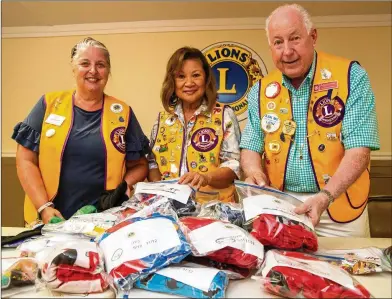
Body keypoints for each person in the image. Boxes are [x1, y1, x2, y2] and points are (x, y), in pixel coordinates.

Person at [240, 4, 380, 237]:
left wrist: (325, 197)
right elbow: (250, 146)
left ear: (313, 36)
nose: (287, 51)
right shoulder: (260, 90)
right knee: (285, 272)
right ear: (271, 47)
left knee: (350, 272)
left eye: (294, 38)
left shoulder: (350, 76)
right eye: (278, 42)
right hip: (282, 209)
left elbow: (359, 151)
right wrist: (254, 171)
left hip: (339, 209)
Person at [12, 37, 150, 226]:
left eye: (100, 65)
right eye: (85, 63)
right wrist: (44, 207)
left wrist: (124, 188)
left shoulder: (122, 112)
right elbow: (25, 160)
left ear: (108, 71)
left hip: (103, 219)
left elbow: (140, 165)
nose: (93, 71)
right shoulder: (48, 104)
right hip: (49, 218)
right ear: (74, 68)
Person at [147, 47, 241, 203]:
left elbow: (234, 166)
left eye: (196, 75)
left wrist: (206, 177)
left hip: (213, 209)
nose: (189, 83)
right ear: (173, 81)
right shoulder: (162, 119)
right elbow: (151, 162)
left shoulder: (224, 114)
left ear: (206, 79)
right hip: (168, 207)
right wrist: (160, 187)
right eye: (181, 76)